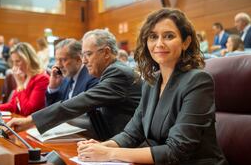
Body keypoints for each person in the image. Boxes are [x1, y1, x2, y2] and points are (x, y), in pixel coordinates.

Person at [77, 9, 228, 164]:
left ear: (186, 42)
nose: (159, 44)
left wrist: (109, 153)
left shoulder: (198, 81)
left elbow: (176, 151)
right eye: (153, 37)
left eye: (169, 36)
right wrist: (101, 147)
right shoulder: (152, 81)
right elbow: (131, 134)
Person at [6, 29, 142, 140]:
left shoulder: (118, 73)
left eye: (88, 54)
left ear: (106, 52)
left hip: (129, 145)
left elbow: (80, 102)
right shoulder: (110, 72)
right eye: (83, 55)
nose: (84, 61)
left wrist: (31, 121)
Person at [0, 42, 49, 116]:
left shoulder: (42, 79)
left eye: (17, 61)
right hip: (19, 121)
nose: (14, 66)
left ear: (28, 60)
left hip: (32, 125)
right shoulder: (24, 76)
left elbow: (28, 111)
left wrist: (20, 84)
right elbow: (12, 105)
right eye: (13, 62)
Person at [46, 38, 98, 106]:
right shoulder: (65, 78)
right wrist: (53, 88)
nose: (58, 65)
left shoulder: (92, 78)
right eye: (57, 60)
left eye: (63, 60)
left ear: (78, 59)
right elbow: (52, 109)